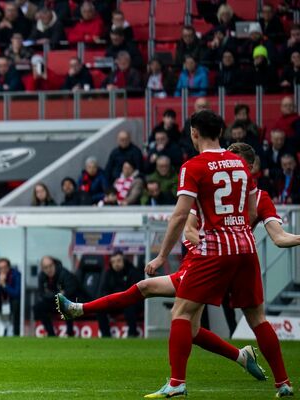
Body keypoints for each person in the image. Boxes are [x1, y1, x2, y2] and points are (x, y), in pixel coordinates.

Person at [58, 142, 294, 395]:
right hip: (216, 257)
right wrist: (194, 238)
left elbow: (277, 237)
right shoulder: (212, 189)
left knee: (166, 303)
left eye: (232, 160)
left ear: (248, 168)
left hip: (212, 261)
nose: (225, 164)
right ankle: (250, 363)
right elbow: (190, 225)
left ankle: (177, 381)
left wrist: (175, 252)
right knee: (187, 322)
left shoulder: (254, 197)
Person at [144, 112, 292, 398]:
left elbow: (178, 216)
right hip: (246, 247)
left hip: (215, 249)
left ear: (194, 133)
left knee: (182, 313)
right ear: (222, 131)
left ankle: (176, 384)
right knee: (257, 318)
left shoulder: (193, 166)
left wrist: (162, 256)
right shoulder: (241, 164)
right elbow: (250, 212)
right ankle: (283, 383)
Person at [95, 251, 143, 337]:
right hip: (115, 302)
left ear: (124, 260)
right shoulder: (108, 274)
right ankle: (106, 335)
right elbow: (103, 291)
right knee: (100, 308)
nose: (116, 264)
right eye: (113, 262)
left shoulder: (132, 272)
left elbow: (136, 292)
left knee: (129, 306)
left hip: (130, 302)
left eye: (118, 261)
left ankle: (132, 333)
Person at [34, 255, 77, 337]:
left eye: (50, 266)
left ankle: (70, 333)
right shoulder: (42, 276)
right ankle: (50, 334)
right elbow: (41, 294)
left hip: (68, 301)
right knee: (38, 307)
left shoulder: (64, 273)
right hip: (53, 301)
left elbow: (70, 291)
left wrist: (50, 294)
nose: (49, 269)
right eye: (46, 267)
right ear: (43, 269)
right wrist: (58, 293)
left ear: (54, 264)